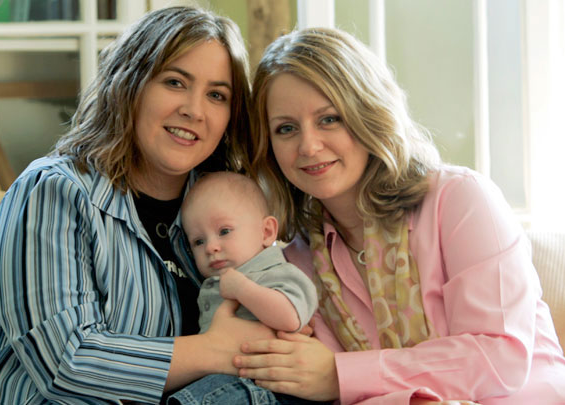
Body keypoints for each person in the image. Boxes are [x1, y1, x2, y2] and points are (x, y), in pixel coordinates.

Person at [0, 7, 276, 404]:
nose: (195, 110)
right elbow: (67, 365)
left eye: (216, 95)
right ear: (129, 84)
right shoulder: (52, 191)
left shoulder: (226, 205)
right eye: (175, 82)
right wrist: (216, 349)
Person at [240, 27, 565, 404]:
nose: (308, 146)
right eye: (286, 129)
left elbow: (500, 358)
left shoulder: (460, 199)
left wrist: (340, 374)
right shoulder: (296, 262)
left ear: (366, 112)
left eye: (329, 119)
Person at [166, 170, 321, 404]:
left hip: (269, 387)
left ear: (267, 232)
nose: (211, 247)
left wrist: (243, 290)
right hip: (228, 382)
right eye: (199, 241)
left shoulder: (276, 272)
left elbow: (290, 318)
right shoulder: (214, 283)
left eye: (224, 231)